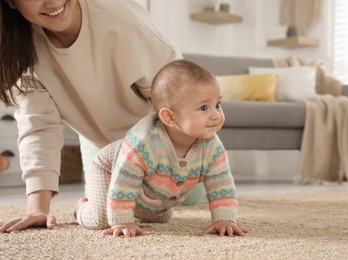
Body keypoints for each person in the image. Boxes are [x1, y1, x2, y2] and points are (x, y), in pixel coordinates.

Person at [0, 0, 205, 233]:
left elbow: (180, 99)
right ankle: (84, 206)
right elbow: (39, 128)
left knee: (187, 200)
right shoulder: (18, 50)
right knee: (106, 215)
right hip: (101, 145)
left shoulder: (125, 23)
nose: (52, 1)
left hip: (167, 142)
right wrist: (37, 208)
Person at [76, 59, 248, 237]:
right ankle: (82, 207)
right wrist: (122, 220)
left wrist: (224, 219)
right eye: (204, 107)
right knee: (103, 220)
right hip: (110, 169)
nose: (215, 115)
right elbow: (124, 182)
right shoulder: (143, 143)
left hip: (149, 188)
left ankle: (134, 209)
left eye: (218, 105)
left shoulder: (212, 146)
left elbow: (221, 182)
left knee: (159, 217)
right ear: (170, 117)